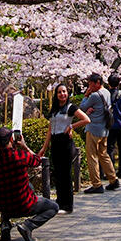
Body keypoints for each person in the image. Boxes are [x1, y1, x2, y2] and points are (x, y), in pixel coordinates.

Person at [0, 127, 59, 241]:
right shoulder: (20, 156)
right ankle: (28, 226)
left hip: (5, 207)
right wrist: (24, 146)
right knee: (53, 207)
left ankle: (5, 225)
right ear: (11, 139)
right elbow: (37, 161)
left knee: (7, 189)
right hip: (24, 205)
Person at [43, 84, 89, 213]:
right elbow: (50, 129)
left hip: (65, 142)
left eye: (64, 92)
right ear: (56, 95)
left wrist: (72, 126)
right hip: (55, 142)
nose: (62, 94)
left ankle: (68, 205)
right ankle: (60, 202)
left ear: (67, 93)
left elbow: (86, 119)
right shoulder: (54, 109)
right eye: (59, 92)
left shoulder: (71, 107)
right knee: (58, 173)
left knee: (66, 174)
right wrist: (44, 148)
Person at [75, 72, 120, 193]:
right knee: (103, 154)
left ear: (97, 83)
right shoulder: (106, 92)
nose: (89, 86)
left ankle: (96, 184)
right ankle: (113, 179)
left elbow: (82, 107)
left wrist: (86, 96)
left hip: (94, 128)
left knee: (92, 156)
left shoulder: (94, 95)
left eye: (91, 84)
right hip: (104, 129)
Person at [107, 73, 121, 180]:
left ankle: (111, 171)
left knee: (110, 149)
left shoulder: (107, 95)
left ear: (108, 83)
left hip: (111, 125)